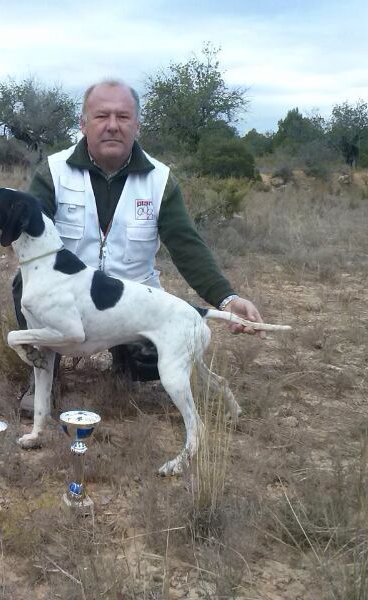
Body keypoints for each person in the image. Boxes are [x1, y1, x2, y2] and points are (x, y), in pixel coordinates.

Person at [14, 79, 264, 410]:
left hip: (132, 298)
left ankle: (126, 357)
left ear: (137, 124)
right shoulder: (53, 172)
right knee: (25, 286)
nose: (113, 126)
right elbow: (32, 230)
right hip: (71, 297)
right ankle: (45, 371)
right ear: (83, 123)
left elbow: (186, 244)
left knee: (147, 368)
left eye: (123, 117)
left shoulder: (160, 179)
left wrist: (226, 298)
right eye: (102, 116)